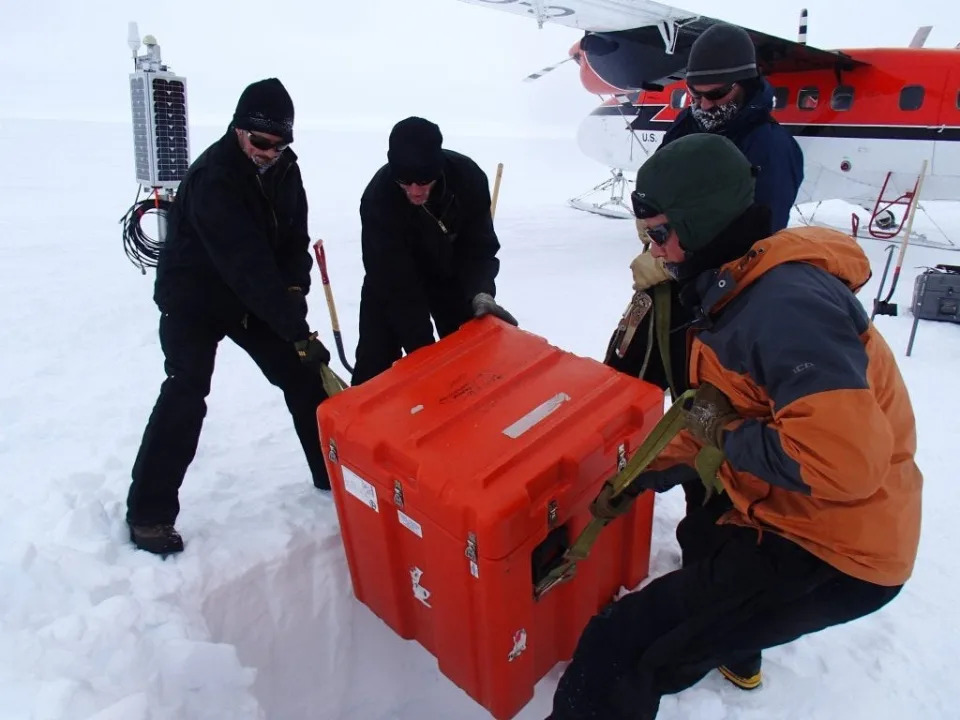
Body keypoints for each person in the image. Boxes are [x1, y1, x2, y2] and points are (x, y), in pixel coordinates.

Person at [550, 133, 922, 719]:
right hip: (785, 512)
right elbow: (726, 408)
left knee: (623, 646)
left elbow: (843, 465)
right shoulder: (736, 285)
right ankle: (732, 641)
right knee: (702, 541)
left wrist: (724, 441)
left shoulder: (785, 310)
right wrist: (650, 469)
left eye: (660, 234)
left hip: (831, 547)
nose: (656, 251)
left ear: (699, 224)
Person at [606, 24, 806, 687]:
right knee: (672, 425)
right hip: (681, 311)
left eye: (714, 92)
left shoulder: (769, 149)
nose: (701, 103)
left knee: (725, 455)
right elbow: (658, 190)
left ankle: (729, 624)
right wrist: (657, 249)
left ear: (745, 85)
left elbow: (753, 243)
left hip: (731, 324)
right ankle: (679, 547)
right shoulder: (690, 125)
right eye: (692, 91)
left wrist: (689, 271)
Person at [126, 78, 333, 556]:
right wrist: (294, 328)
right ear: (239, 130)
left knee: (304, 379)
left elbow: (290, 243)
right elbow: (246, 263)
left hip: (247, 297)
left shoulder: (284, 169)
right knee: (186, 389)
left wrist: (296, 294)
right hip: (194, 295)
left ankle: (331, 475)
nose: (270, 152)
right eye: (261, 142)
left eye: (280, 144)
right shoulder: (213, 178)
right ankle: (149, 514)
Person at [351, 116, 515, 386]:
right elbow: (394, 282)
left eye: (424, 180)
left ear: (438, 168)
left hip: (450, 276)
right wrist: (423, 349)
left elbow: (478, 247)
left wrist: (480, 291)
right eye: (404, 181)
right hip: (391, 282)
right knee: (375, 368)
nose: (415, 191)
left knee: (469, 362)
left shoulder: (467, 178)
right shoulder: (377, 199)